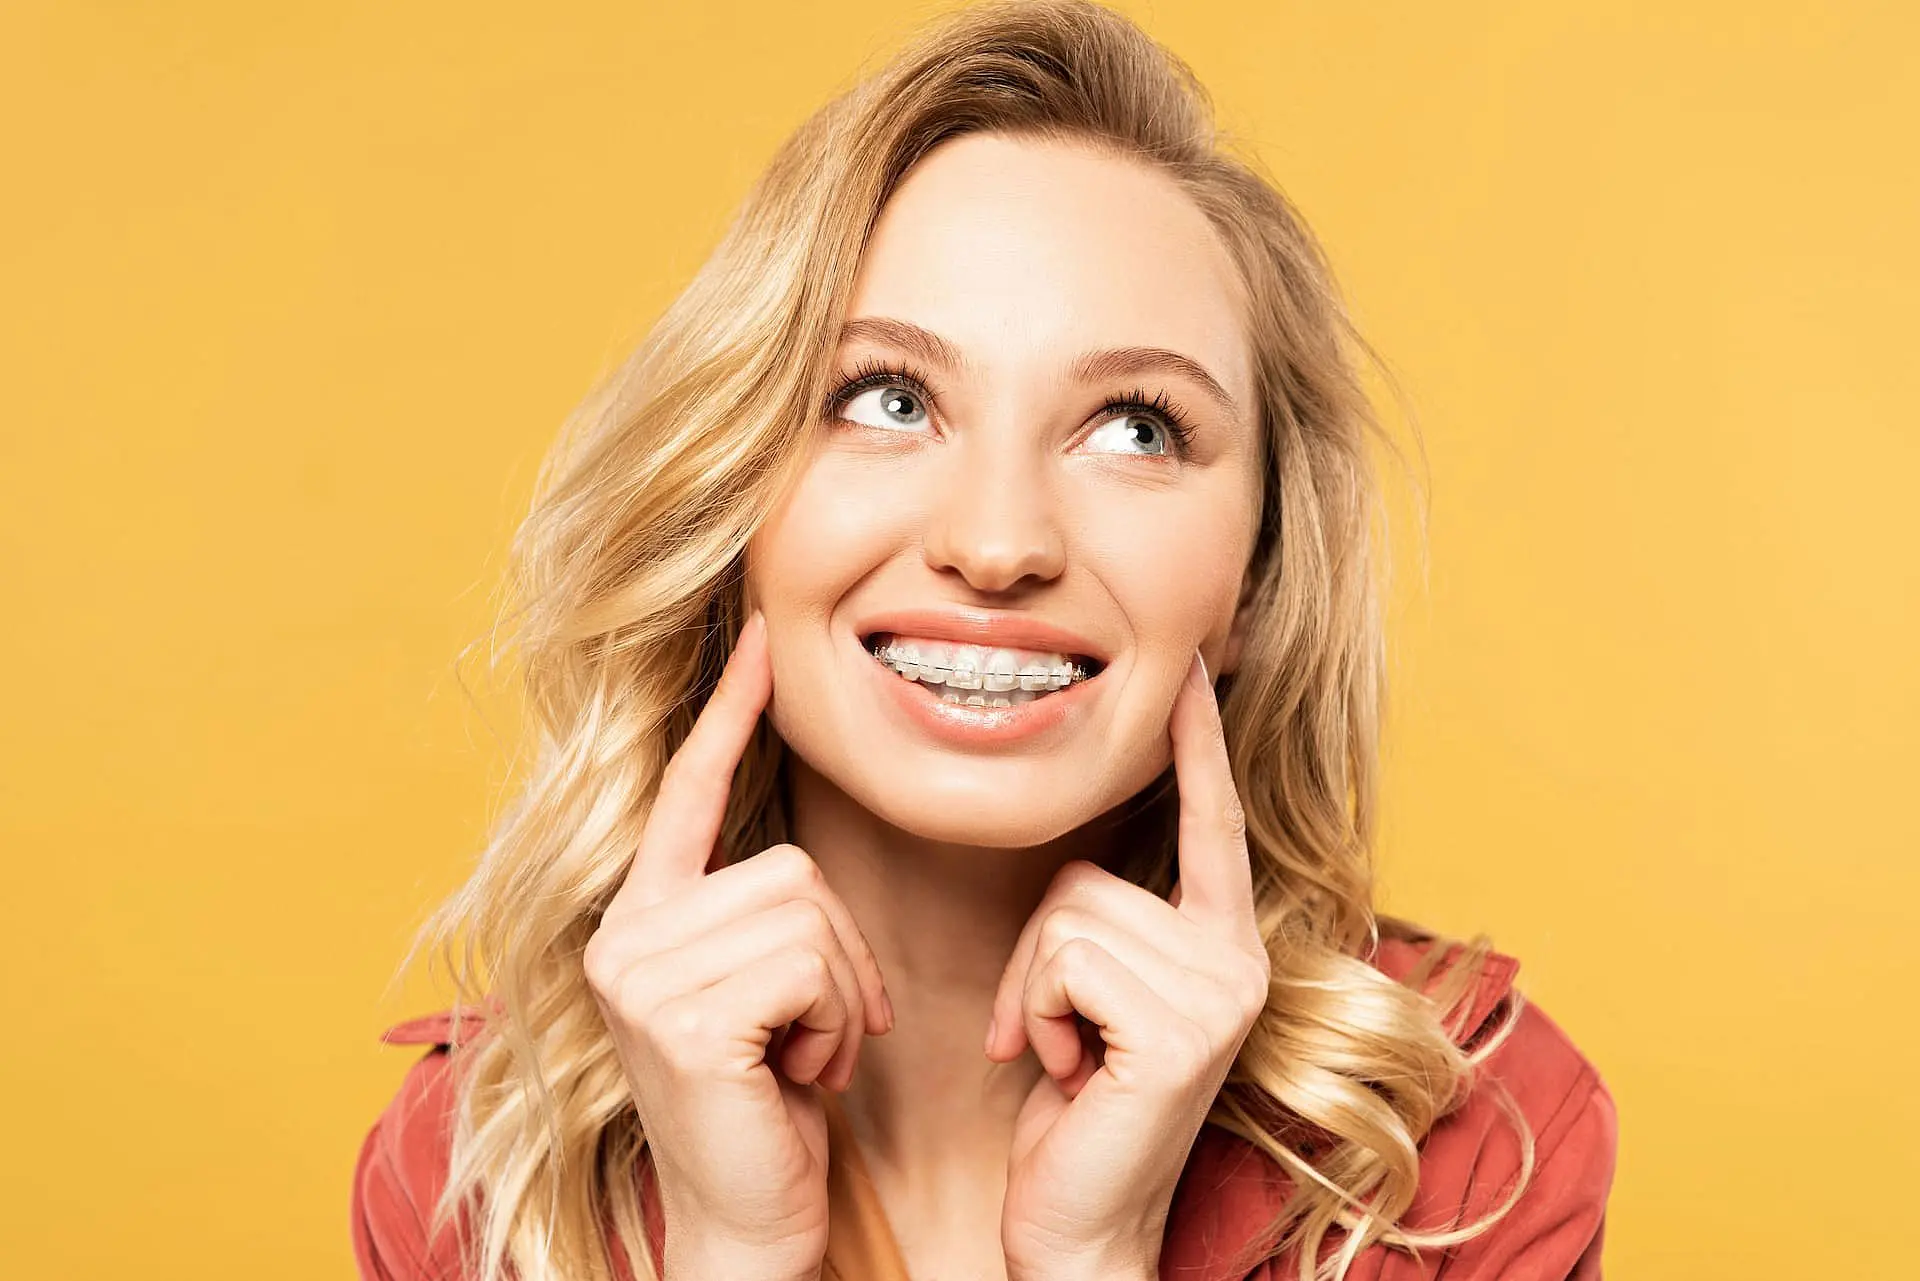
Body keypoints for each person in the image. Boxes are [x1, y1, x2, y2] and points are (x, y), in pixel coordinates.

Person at [349, 3, 1617, 1278]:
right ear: (730, 510)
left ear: (1254, 580)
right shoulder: (475, 1173)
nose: (1000, 542)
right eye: (888, 400)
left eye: (1137, 428)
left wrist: (1098, 1255)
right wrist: (731, 1252)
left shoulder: (1466, 1147)